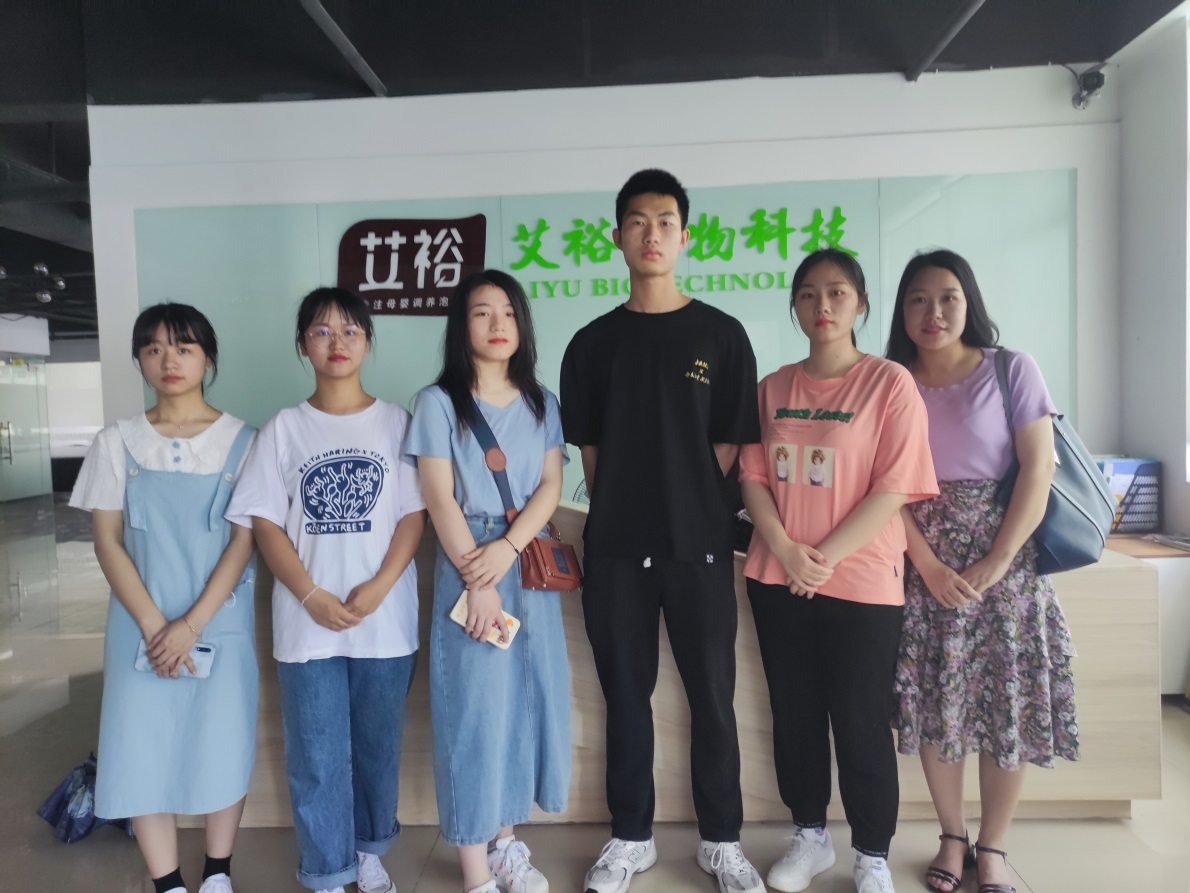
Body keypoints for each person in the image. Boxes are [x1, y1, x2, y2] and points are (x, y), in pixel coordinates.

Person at [560, 168, 765, 893]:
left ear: (685, 235)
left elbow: (728, 446)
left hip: (700, 547)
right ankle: (631, 838)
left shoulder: (722, 335)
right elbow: (592, 456)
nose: (652, 234)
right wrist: (634, 504)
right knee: (625, 697)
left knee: (713, 697)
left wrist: (685, 500)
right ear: (617, 236)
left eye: (666, 222)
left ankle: (722, 841)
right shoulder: (591, 344)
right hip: (617, 549)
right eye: (638, 222)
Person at [739, 249, 938, 893]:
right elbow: (752, 478)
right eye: (807, 294)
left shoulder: (889, 384)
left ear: (861, 304)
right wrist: (786, 550)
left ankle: (872, 854)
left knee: (859, 721)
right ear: (794, 307)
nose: (821, 305)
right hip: (778, 577)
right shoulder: (772, 388)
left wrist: (819, 559)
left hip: (862, 582)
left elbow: (893, 488)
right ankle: (810, 837)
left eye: (837, 292)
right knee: (794, 714)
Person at [886, 249, 1079, 893]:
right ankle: (951, 836)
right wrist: (927, 563)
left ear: (969, 303)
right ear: (901, 311)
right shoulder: (891, 380)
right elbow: (881, 485)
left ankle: (993, 846)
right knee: (939, 704)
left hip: (1007, 566)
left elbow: (1039, 467)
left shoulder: (1010, 368)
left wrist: (996, 560)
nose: (933, 312)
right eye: (917, 299)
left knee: (1006, 704)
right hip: (923, 566)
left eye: (948, 297)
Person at [226, 287, 426, 893]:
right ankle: (326, 871)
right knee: (316, 753)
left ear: (367, 341)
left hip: (384, 621)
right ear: (302, 345)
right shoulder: (283, 429)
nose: (336, 342)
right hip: (305, 623)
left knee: (377, 746)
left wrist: (381, 586)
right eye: (321, 331)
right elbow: (265, 523)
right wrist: (311, 595)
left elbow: (414, 516)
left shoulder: (397, 423)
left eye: (349, 331)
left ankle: (368, 852)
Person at [70, 303, 258, 893]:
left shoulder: (245, 442)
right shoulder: (115, 442)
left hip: (218, 621)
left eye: (183, 346)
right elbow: (107, 541)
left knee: (221, 740)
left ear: (208, 358)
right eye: (152, 348)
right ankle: (168, 882)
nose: (168, 359)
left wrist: (190, 626)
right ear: (139, 361)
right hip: (140, 626)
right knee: (140, 745)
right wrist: (158, 628)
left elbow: (244, 542)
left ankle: (218, 873)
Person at [407, 270, 571, 893]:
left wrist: (508, 547)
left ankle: (506, 847)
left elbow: (550, 486)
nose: (498, 323)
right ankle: (476, 873)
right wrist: (477, 578)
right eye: (481, 312)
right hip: (468, 563)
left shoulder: (541, 402)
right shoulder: (437, 402)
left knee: (522, 704)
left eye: (508, 311)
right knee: (474, 712)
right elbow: (438, 496)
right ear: (462, 326)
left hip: (523, 560)